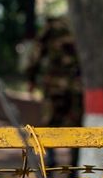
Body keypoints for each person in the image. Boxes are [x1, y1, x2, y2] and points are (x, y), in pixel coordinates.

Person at [25, 17, 83, 169]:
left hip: (54, 85)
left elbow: (36, 53)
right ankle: (73, 169)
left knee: (49, 123)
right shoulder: (81, 24)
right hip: (76, 85)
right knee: (76, 125)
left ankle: (50, 164)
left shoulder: (51, 28)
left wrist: (31, 78)